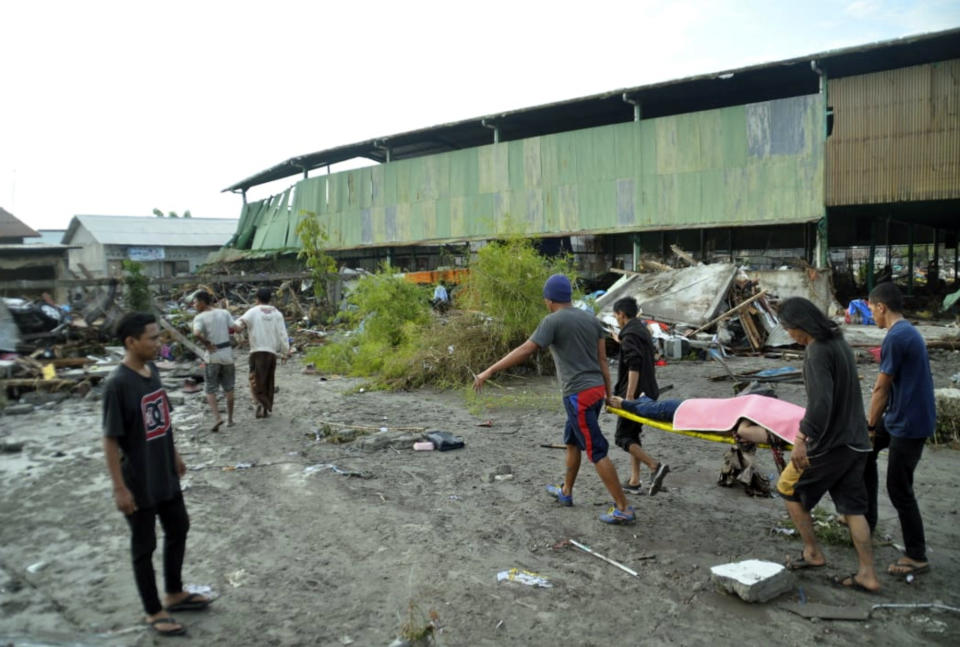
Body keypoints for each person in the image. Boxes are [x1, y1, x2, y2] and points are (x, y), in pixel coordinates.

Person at [474, 274, 635, 525]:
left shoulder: (552, 321)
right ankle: (566, 491)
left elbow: (526, 349)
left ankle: (623, 507)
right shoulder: (591, 320)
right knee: (572, 440)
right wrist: (606, 393)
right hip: (593, 391)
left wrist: (490, 371)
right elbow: (603, 361)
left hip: (578, 395)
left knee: (596, 450)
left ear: (549, 300)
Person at [102, 312, 210, 637]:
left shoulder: (151, 372)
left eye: (158, 336)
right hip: (138, 480)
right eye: (152, 337)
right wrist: (119, 488)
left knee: (179, 526)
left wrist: (174, 454)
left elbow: (162, 418)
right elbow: (109, 440)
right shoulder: (117, 384)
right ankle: (154, 611)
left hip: (164, 471)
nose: (158, 342)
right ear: (131, 342)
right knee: (144, 545)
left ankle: (174, 592)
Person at [774, 297, 879, 593]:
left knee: (788, 488)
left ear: (799, 325)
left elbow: (821, 403)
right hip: (857, 442)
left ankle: (812, 552)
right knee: (853, 509)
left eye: (788, 329)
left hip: (833, 444)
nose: (789, 335)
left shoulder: (817, 350)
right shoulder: (839, 342)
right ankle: (867, 573)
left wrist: (801, 439)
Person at [866, 281, 935, 576]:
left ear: (882, 307)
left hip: (908, 423)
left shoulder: (896, 337)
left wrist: (870, 425)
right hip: (901, 415)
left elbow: (881, 388)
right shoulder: (904, 332)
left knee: (899, 488)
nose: (871, 316)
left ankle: (917, 555)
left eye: (872, 310)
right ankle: (865, 521)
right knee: (863, 453)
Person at [611, 297, 670, 495]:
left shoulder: (629, 335)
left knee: (622, 437)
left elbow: (634, 364)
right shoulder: (641, 331)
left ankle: (654, 466)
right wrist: (619, 340)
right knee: (632, 434)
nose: (616, 319)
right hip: (649, 390)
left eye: (616, 316)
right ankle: (635, 480)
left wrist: (628, 400)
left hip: (636, 393)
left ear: (622, 314)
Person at [234, 287, 290, 418]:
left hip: (257, 351)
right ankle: (266, 407)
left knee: (255, 378)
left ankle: (259, 402)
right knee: (269, 380)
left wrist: (234, 328)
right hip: (271, 353)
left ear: (257, 299)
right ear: (270, 299)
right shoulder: (277, 313)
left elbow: (239, 324)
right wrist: (285, 352)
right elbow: (283, 334)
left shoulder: (253, 311)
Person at [191, 290, 235, 431]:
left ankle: (217, 417)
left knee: (210, 389)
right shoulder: (224, 313)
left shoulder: (200, 317)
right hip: (227, 354)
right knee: (229, 387)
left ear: (203, 302)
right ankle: (230, 419)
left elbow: (196, 333)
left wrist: (207, 344)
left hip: (213, 356)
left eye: (195, 302)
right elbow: (234, 328)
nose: (194, 305)